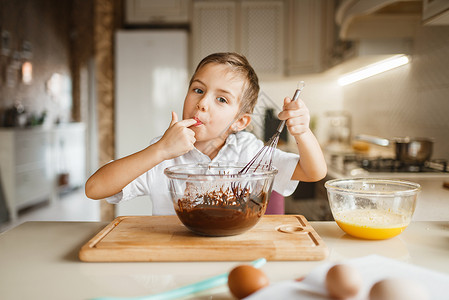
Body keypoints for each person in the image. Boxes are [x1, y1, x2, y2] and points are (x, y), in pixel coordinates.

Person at [85, 52, 327, 215]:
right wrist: (159, 150)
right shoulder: (164, 153)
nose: (202, 103)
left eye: (221, 99)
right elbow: (94, 188)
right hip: (175, 258)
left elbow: (313, 172)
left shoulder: (247, 151)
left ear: (240, 121)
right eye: (198, 90)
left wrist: (303, 132)